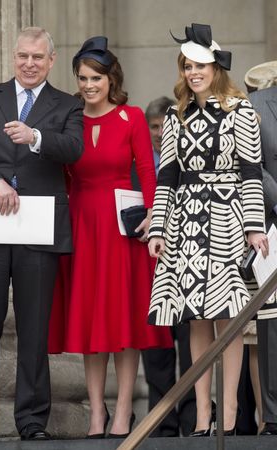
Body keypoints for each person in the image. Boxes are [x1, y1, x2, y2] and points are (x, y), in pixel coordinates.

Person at [0, 27, 84, 442]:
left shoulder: (66, 104)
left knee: (33, 327)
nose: (29, 63)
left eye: (38, 57)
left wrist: (36, 138)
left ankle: (32, 421)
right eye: (23, 56)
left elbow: (73, 149)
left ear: (51, 60)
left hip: (38, 226)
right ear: (14, 58)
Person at [48, 36, 172, 439]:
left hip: (122, 229)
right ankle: (96, 412)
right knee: (90, 322)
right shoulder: (70, 118)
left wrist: (155, 215)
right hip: (82, 224)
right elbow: (62, 173)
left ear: (110, 78)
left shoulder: (132, 117)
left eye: (96, 78)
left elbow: (148, 172)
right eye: (82, 77)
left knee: (123, 320)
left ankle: (122, 412)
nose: (88, 85)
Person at [147, 23, 268, 437]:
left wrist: (254, 227)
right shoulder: (175, 115)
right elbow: (166, 178)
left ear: (216, 68)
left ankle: (230, 414)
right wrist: (158, 228)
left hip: (228, 219)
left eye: (200, 66)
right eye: (187, 66)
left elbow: (252, 172)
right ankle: (203, 415)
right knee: (195, 318)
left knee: (228, 318)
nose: (193, 73)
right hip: (184, 220)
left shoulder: (240, 109)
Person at [133, 96, 196, 437]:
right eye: (153, 127)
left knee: (189, 344)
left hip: (186, 262)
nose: (158, 133)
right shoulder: (135, 166)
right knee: (155, 347)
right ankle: (161, 422)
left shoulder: (190, 159)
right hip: (148, 263)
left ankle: (193, 416)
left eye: (163, 126)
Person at [244, 60, 277, 436]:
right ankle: (270, 416)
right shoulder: (256, 109)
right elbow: (254, 166)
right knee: (265, 328)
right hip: (268, 228)